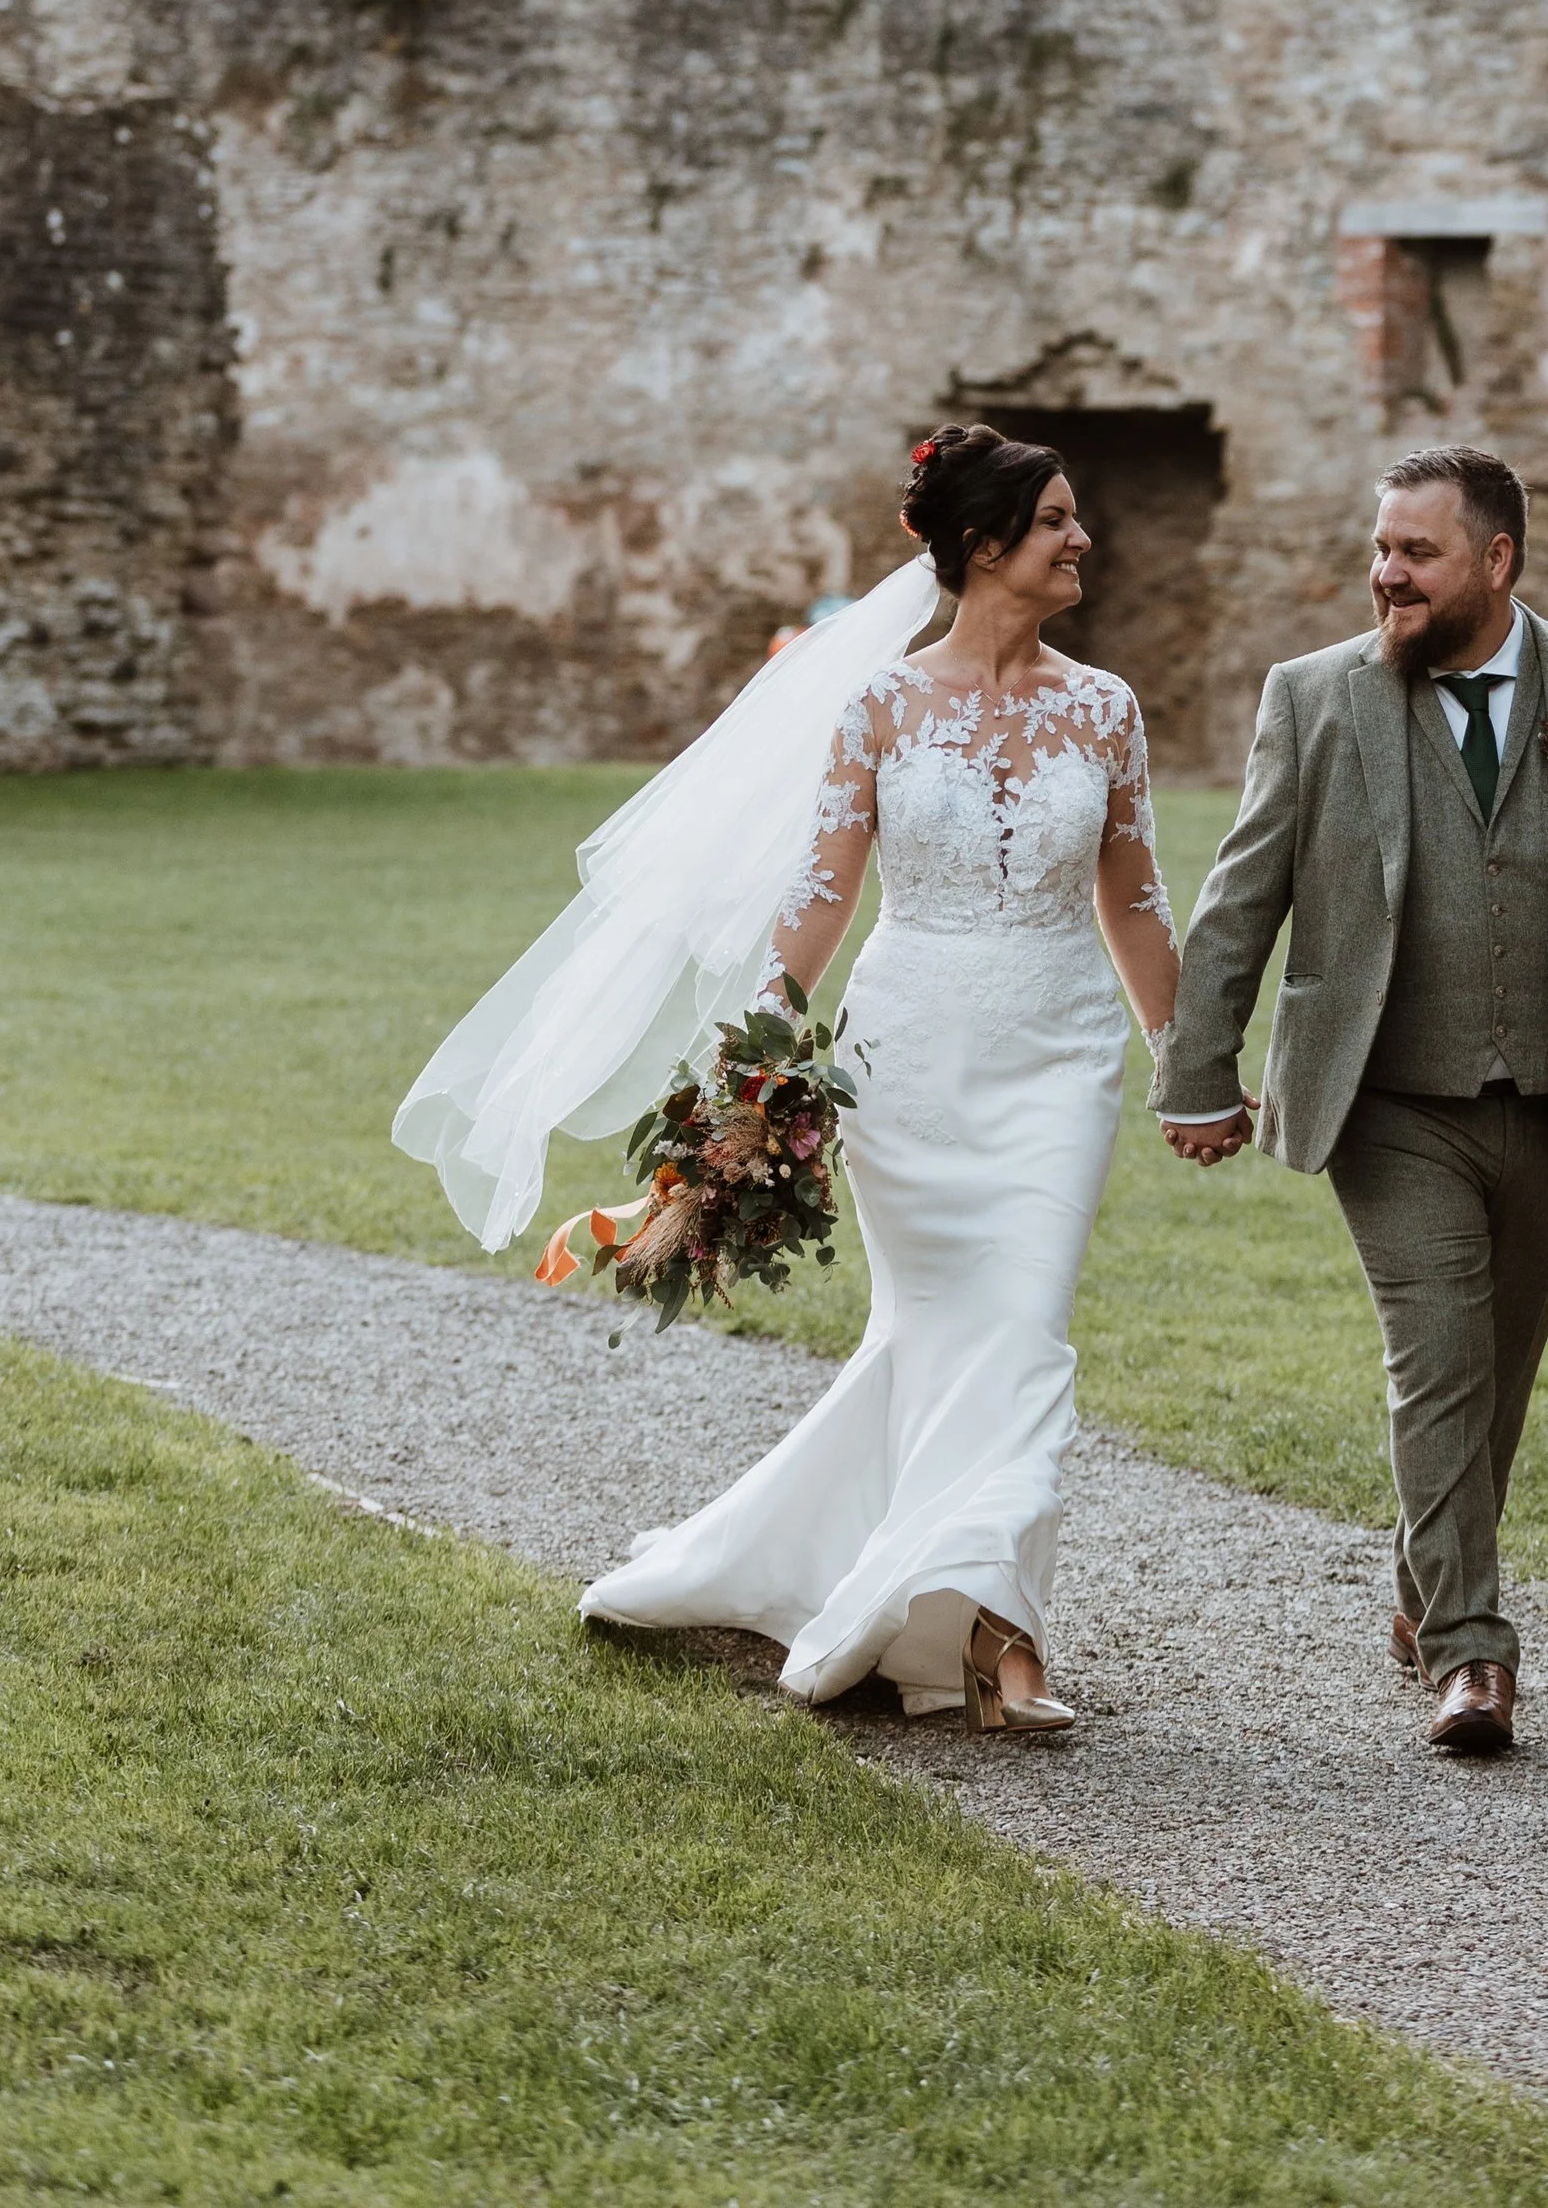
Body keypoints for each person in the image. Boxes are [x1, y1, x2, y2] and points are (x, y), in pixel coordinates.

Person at [396, 425, 1180, 1734]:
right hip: (906, 1058)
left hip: (1059, 1058)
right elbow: (820, 901)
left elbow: (1138, 901)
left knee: (1025, 1326)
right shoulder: (877, 704)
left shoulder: (1106, 710)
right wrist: (753, 1059)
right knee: (940, 1333)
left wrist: (1190, 1063)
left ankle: (1001, 1640)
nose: (1082, 538)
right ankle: (941, 1611)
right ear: (985, 546)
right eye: (1055, 520)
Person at [1149, 443, 1548, 1756]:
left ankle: (1423, 1585)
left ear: (1496, 562)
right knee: (1439, 1360)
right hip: (1387, 1102)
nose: (1385, 570)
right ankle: (1471, 1654)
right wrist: (1198, 1067)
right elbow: (1242, 892)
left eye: (1417, 550)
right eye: (1381, 546)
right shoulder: (1319, 698)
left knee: (1498, 1380)